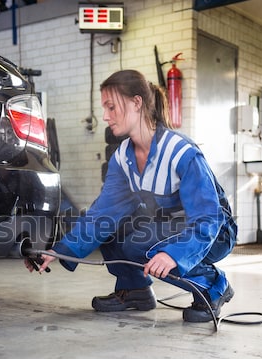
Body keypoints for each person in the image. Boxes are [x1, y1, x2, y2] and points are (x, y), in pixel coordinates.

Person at [25, 69, 237, 323]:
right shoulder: (123, 157)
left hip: (214, 232)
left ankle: (213, 286)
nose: (105, 116)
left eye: (111, 107)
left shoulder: (180, 152)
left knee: (142, 241)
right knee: (109, 227)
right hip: (169, 225)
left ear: (137, 103)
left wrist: (174, 254)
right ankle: (135, 289)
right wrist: (60, 251)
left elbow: (207, 217)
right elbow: (102, 214)